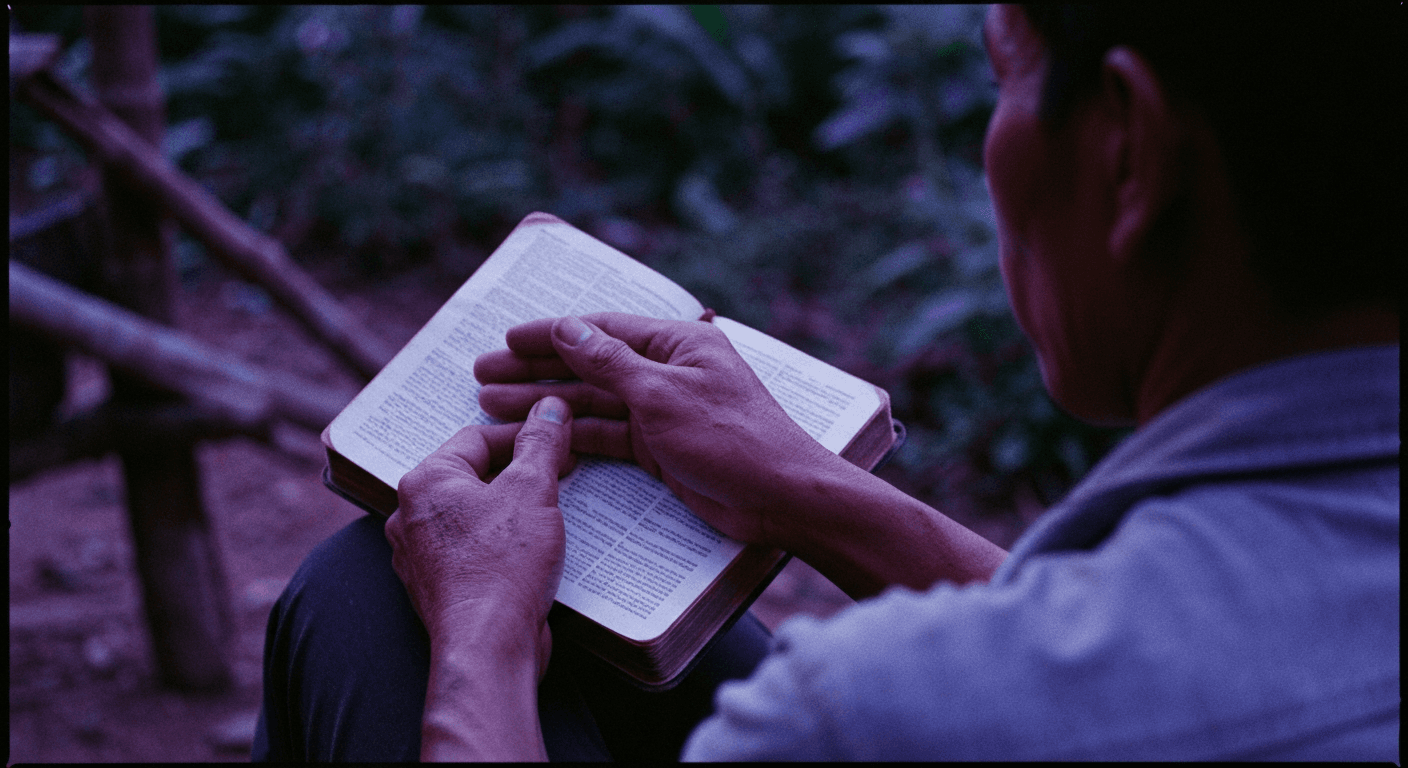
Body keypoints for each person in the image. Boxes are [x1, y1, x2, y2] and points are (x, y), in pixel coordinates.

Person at [254, 4, 1399, 761]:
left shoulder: (856, 720)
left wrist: (483, 642)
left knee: (366, 600)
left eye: (1001, 74)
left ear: (1127, 152)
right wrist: (805, 488)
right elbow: (1172, 658)